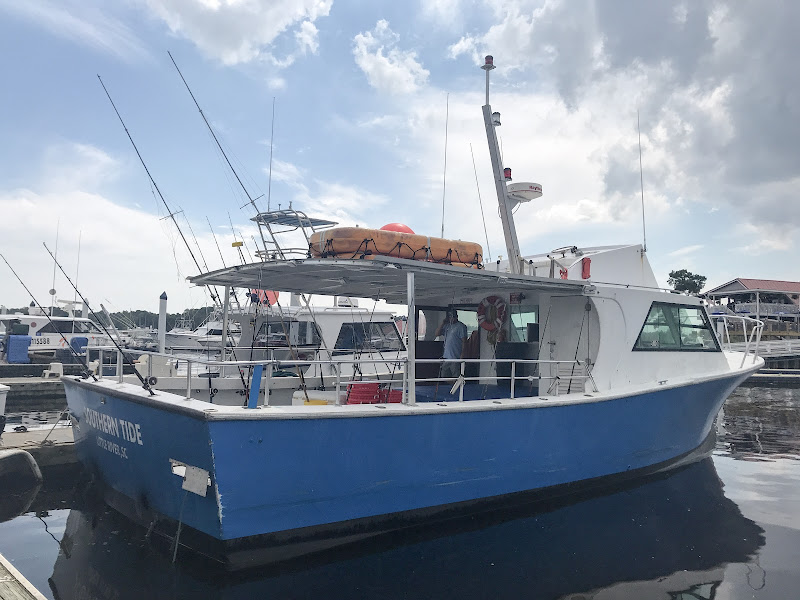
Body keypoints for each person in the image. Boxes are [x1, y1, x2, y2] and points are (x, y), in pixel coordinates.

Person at [435, 308, 468, 379]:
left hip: (456, 357)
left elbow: (464, 341)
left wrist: (462, 355)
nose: (451, 319)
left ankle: (457, 389)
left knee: (456, 376)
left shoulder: (461, 326)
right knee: (444, 376)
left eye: (453, 317)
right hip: (446, 357)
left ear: (456, 317)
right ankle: (452, 388)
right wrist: (443, 323)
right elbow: (437, 334)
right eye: (449, 317)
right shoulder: (447, 326)